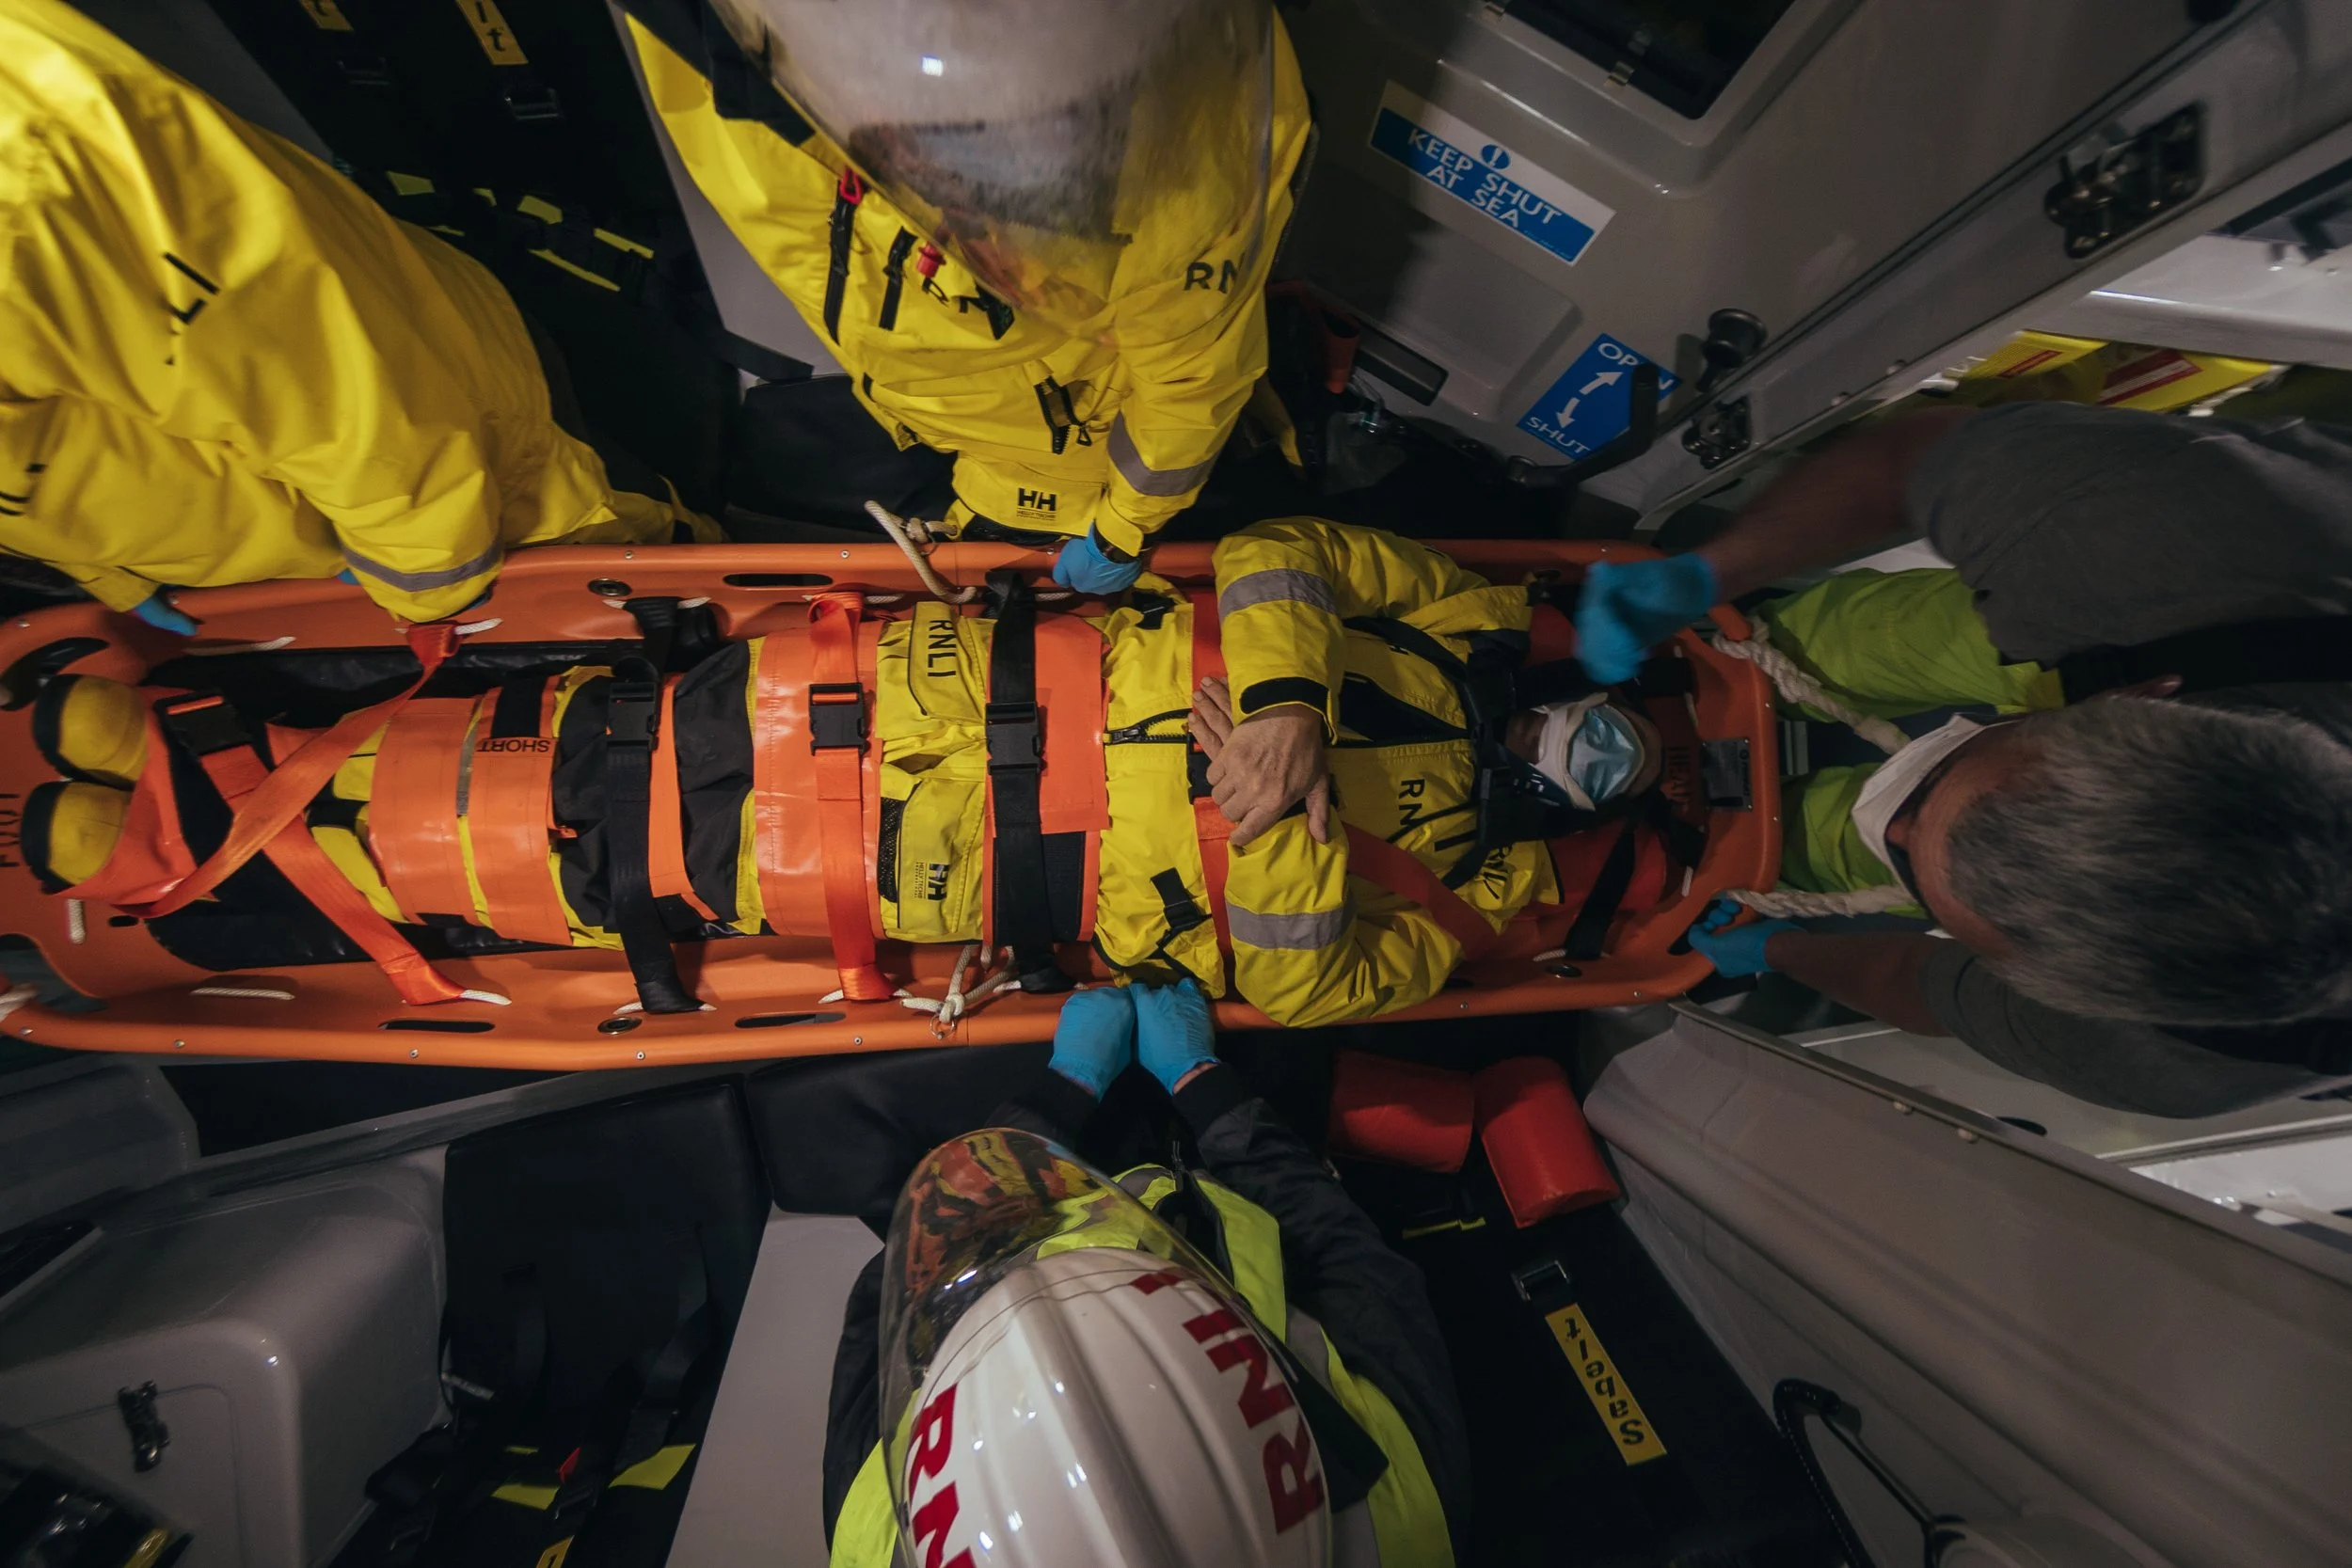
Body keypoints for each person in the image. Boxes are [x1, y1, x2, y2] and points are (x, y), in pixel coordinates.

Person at [29, 520, 1687, 1028]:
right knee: (596, 736)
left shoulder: (1483, 899)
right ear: (1569, 685)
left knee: (591, 848)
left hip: (909, 860)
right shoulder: (1461, 626)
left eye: (1602, 774)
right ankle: (225, 760)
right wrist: (1286, 703)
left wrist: (1295, 832)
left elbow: (1313, 988)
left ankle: (223, 867)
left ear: (1588, 814)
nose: (1574, 760)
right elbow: (1275, 557)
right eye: (1596, 725)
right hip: (870, 694)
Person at [1577, 400, 2352, 1116]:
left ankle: (1820, 847)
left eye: (1911, 866)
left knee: (1810, 847)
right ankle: (1792, 657)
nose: (1894, 823)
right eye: (1929, 798)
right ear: (2146, 694)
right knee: (1873, 638)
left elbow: (1915, 980)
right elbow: (1909, 460)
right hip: (2241, 630)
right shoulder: (2223, 545)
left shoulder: (2168, 1059)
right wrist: (1715, 572)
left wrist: (1777, 946)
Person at [0, 0, 702, 632]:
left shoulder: (29, 174)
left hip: (472, 483)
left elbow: (342, 385)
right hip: (324, 559)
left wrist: (430, 584)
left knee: (675, 570)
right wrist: (109, 568)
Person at [615, 0, 1312, 593]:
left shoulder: (1188, 169)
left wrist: (1121, 530)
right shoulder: (724, 58)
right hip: (943, 384)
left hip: (1055, 442)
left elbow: (1189, 378)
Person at [808, 977, 1468, 1566]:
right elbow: (1342, 1252)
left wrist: (1061, 1092)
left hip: (1026, 1193)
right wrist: (1203, 1082)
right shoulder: (1403, 1513)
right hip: (1230, 1183)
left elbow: (895, 1286)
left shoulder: (871, 1539)